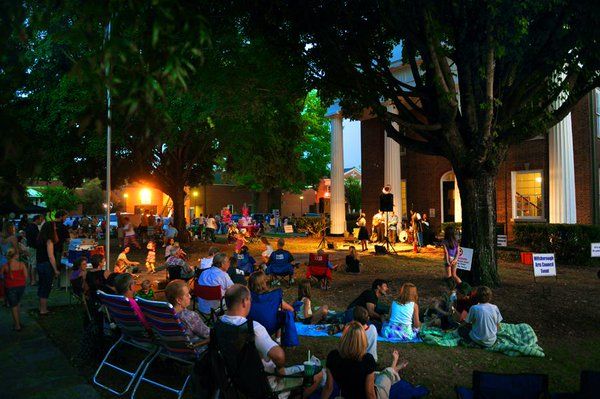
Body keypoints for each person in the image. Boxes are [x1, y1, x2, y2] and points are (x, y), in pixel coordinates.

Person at [217, 284, 320, 397]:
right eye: (250, 300)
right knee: (319, 373)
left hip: (238, 383)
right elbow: (279, 356)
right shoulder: (253, 328)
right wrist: (280, 369)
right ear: (244, 302)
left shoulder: (218, 325)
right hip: (266, 385)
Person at [323, 321, 407, 399]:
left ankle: (393, 369)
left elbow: (328, 387)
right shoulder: (367, 360)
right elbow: (370, 393)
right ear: (362, 339)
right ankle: (394, 368)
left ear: (344, 338)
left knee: (378, 374)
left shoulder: (333, 356)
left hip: (346, 395)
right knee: (385, 377)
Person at [36, 220, 60, 315]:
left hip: (40, 264)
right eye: (54, 227)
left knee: (42, 286)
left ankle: (41, 307)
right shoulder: (49, 240)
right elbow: (51, 256)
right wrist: (55, 269)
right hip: (46, 265)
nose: (55, 228)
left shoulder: (40, 238)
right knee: (46, 287)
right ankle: (43, 309)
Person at [1, 248, 28, 331]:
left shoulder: (5, 266)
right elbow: (26, 276)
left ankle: (17, 325)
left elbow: (1, 275)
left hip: (10, 287)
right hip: (21, 286)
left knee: (13, 305)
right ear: (16, 255)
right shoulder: (21, 264)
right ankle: (18, 322)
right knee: (18, 303)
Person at [25, 215, 43, 286]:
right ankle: (33, 280)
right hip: (33, 247)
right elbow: (37, 238)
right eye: (40, 220)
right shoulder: (34, 227)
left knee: (30, 263)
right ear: (37, 220)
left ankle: (30, 279)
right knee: (33, 264)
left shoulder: (29, 226)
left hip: (29, 246)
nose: (41, 221)